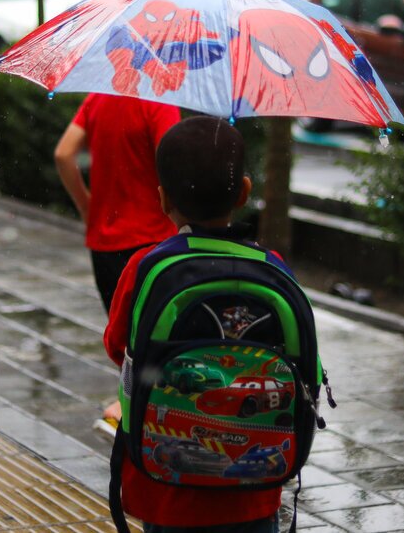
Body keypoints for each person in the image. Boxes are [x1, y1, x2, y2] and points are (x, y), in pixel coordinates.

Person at [103, 116, 281, 533]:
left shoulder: (146, 269)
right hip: (254, 487)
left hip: (169, 486)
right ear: (244, 193)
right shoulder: (274, 270)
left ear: (163, 199)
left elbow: (118, 347)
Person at [54, 94, 180, 312]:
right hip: (154, 242)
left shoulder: (98, 97)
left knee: (119, 336)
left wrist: (86, 206)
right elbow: (172, 165)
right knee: (154, 334)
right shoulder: (160, 101)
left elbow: (63, 154)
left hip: (104, 245)